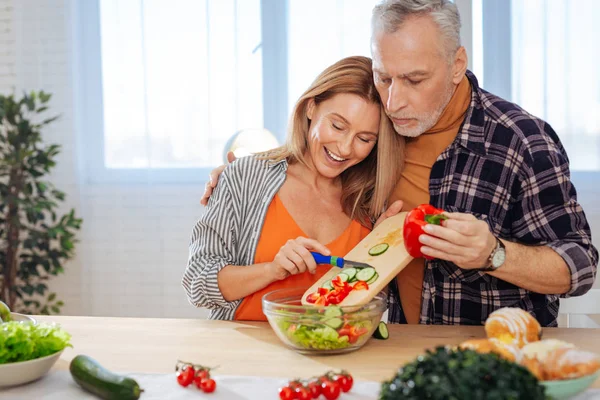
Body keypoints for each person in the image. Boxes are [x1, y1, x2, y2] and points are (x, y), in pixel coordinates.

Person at [202, 0, 598, 326]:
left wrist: (494, 254)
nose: (394, 102)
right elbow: (324, 147)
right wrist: (246, 174)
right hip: (388, 352)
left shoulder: (521, 140)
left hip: (492, 360)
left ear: (457, 64)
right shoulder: (377, 133)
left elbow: (579, 266)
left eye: (414, 80)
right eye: (384, 78)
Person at [183, 56, 405, 320]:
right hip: (243, 355)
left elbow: (373, 304)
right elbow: (197, 284)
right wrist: (273, 270)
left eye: (364, 138)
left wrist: (379, 253)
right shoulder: (246, 177)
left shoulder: (371, 203)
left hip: (331, 356)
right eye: (337, 125)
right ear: (311, 108)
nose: (345, 148)